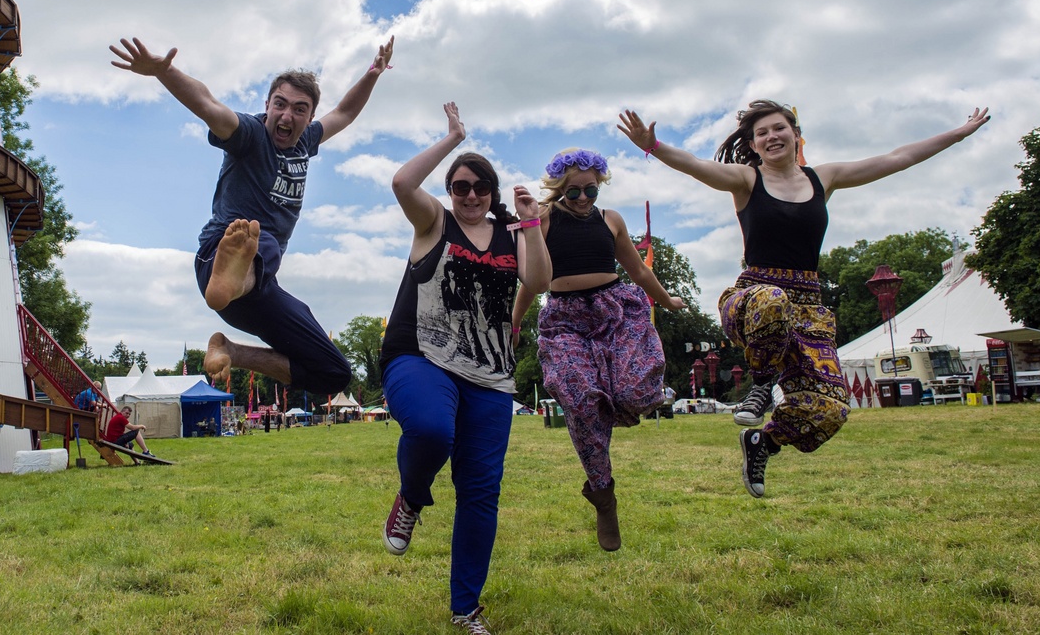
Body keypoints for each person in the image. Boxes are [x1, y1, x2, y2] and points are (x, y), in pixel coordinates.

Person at [618, 101, 990, 498]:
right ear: (755, 145)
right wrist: (653, 145)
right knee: (773, 300)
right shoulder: (746, 180)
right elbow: (694, 164)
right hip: (753, 298)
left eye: (778, 129)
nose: (771, 137)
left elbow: (898, 158)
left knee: (829, 410)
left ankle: (764, 443)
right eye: (761, 133)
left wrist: (959, 133)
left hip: (809, 307)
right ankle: (761, 384)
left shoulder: (824, 178)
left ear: (796, 135)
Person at [110, 37, 394, 397]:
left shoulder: (306, 142)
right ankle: (234, 270)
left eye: (300, 109)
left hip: (256, 291)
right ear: (268, 105)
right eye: (281, 104)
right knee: (263, 239)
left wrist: (374, 71)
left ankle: (233, 348)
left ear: (308, 117)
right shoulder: (249, 134)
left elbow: (346, 112)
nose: (288, 116)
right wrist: (164, 72)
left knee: (332, 372)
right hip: (216, 258)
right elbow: (208, 104)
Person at [378, 103, 550, 634]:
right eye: (460, 186)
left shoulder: (511, 233)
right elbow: (403, 182)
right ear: (450, 190)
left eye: (480, 187)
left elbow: (539, 282)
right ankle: (411, 497)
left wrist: (531, 221)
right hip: (420, 354)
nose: (470, 195)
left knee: (480, 491)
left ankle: (465, 608)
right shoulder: (435, 220)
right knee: (430, 429)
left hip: (491, 373)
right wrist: (452, 138)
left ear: (493, 192)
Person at [510, 148, 685, 551]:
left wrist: (665, 298)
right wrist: (516, 322)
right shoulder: (545, 220)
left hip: (613, 310)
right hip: (565, 320)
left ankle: (629, 407)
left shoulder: (611, 220)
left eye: (590, 190)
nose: (584, 199)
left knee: (635, 393)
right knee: (582, 400)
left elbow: (639, 270)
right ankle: (603, 495)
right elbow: (529, 281)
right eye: (573, 193)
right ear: (558, 190)